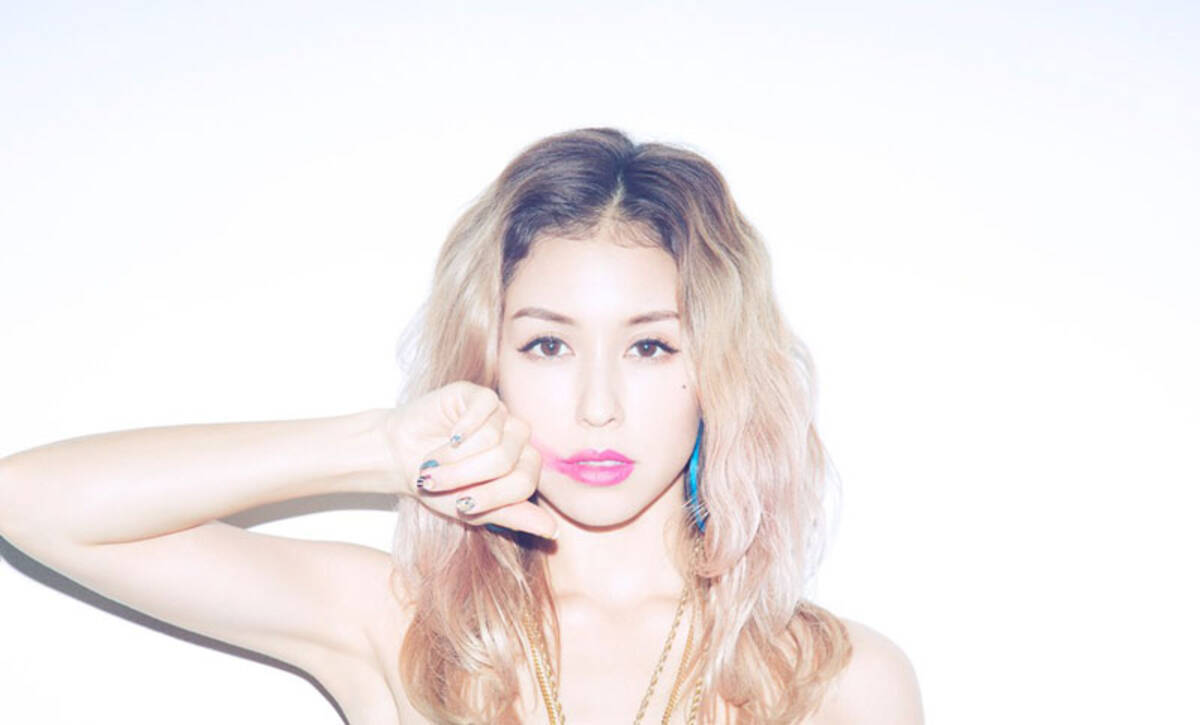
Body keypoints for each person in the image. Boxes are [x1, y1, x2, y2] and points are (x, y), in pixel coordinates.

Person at [0, 127, 923, 724]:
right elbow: (29, 501)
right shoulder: (403, 627)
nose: (597, 404)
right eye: (548, 345)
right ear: (490, 365)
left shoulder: (840, 681)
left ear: (715, 371)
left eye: (649, 347)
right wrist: (380, 446)